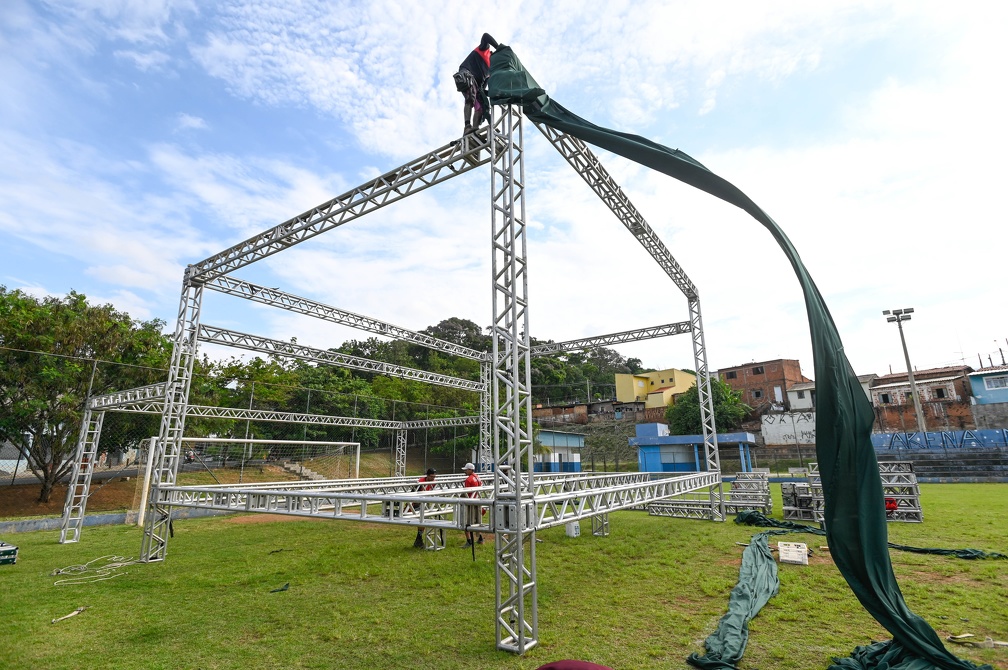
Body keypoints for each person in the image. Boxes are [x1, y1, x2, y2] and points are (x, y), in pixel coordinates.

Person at [453, 33, 500, 136]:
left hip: (476, 84)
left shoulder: (490, 71)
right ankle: (467, 126)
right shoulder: (485, 50)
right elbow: (486, 36)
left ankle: (474, 129)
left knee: (481, 106)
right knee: (470, 97)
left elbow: (482, 89)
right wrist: (498, 47)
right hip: (467, 74)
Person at [413, 468, 438, 548]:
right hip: (417, 503)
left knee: (423, 520)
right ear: (427, 476)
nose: (433, 478)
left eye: (434, 477)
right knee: (422, 520)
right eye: (431, 476)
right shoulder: (420, 482)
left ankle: (419, 539)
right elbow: (413, 493)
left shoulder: (433, 482)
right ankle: (419, 539)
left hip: (426, 501)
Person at [461, 462, 484, 546]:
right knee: (477, 521)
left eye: (466, 470)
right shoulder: (477, 477)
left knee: (466, 521)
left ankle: (469, 541)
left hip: (470, 502)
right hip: (477, 500)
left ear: (470, 470)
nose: (465, 472)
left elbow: (466, 491)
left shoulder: (469, 480)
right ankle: (480, 537)